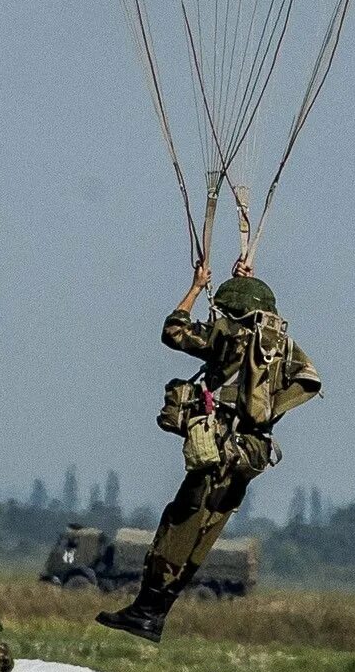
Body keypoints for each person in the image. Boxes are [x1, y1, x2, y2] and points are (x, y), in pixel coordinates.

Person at [97, 260, 320, 643]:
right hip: (251, 452)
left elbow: (174, 331)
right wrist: (264, 416)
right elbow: (309, 380)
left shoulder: (227, 334)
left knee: (180, 524)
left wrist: (197, 287)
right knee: (207, 530)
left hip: (218, 448)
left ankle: (147, 612)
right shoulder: (280, 345)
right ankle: (155, 614)